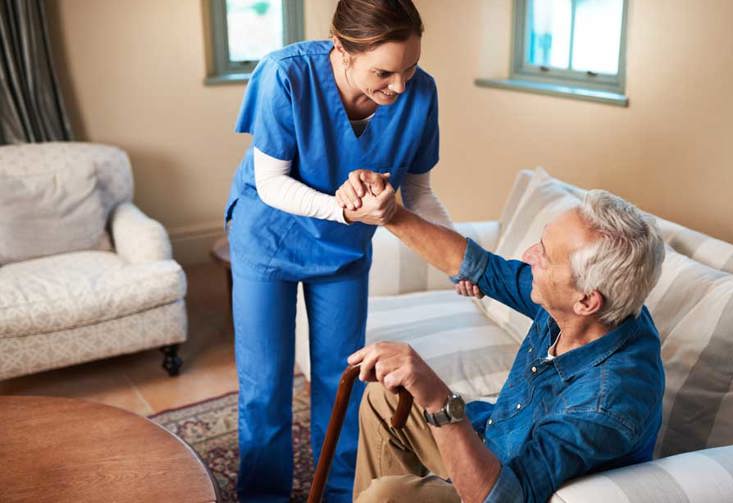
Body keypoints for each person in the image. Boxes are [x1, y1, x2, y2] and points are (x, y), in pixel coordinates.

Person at [223, 1, 465, 500]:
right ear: (342, 50)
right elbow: (271, 183)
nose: (399, 87)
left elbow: (418, 193)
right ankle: (263, 496)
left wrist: (459, 260)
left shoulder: (420, 93)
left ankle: (338, 494)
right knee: (265, 387)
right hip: (268, 240)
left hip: (343, 253)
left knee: (342, 383)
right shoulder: (286, 75)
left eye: (410, 68)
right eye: (383, 73)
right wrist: (345, 211)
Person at [343, 178, 667, 502]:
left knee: (386, 496)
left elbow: (505, 495)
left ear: (586, 301)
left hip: (502, 489)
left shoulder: (606, 401)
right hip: (494, 441)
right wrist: (390, 214)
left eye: (545, 257)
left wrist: (439, 399)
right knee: (385, 396)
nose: (528, 255)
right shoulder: (591, 308)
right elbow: (477, 266)